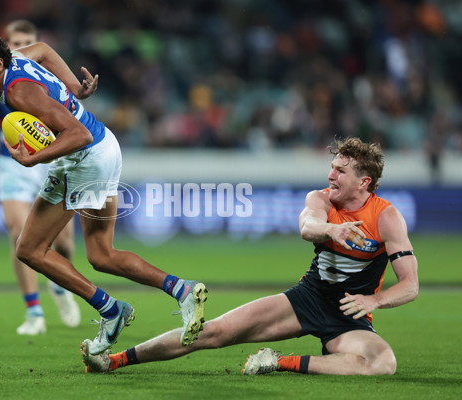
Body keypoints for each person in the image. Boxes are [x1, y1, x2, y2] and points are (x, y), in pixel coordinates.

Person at [0, 25, 207, 355]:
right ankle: (181, 289)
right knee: (102, 254)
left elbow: (78, 135)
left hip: (85, 156)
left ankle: (111, 310)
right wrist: (73, 86)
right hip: (105, 146)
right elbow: (41, 48)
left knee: (29, 249)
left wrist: (33, 160)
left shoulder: (18, 93)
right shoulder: (13, 58)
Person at [81, 137, 419, 375]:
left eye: (340, 171)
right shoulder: (322, 199)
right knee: (212, 333)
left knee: (382, 363)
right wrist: (332, 231)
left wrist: (374, 302)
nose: (331, 175)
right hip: (307, 299)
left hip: (350, 318)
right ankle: (114, 361)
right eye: (332, 167)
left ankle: (277, 362)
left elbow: (410, 285)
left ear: (364, 182)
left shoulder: (387, 218)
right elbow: (307, 226)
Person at [0, 20, 80, 335]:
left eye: (26, 41)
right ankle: (34, 311)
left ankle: (59, 285)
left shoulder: (40, 74)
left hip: (52, 160)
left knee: (63, 242)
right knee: (19, 233)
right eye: (15, 41)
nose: (20, 45)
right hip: (13, 164)